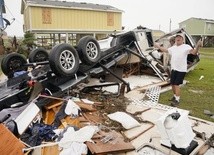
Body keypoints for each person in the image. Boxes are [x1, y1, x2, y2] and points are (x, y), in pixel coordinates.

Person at [154, 33, 202, 107]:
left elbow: (194, 52)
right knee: (172, 83)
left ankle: (177, 100)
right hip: (174, 69)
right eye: (177, 37)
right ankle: (174, 96)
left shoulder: (186, 46)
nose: (178, 38)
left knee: (176, 84)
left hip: (181, 70)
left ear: (182, 40)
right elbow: (165, 50)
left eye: (180, 37)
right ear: (175, 39)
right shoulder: (173, 48)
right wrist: (158, 46)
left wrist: (198, 46)